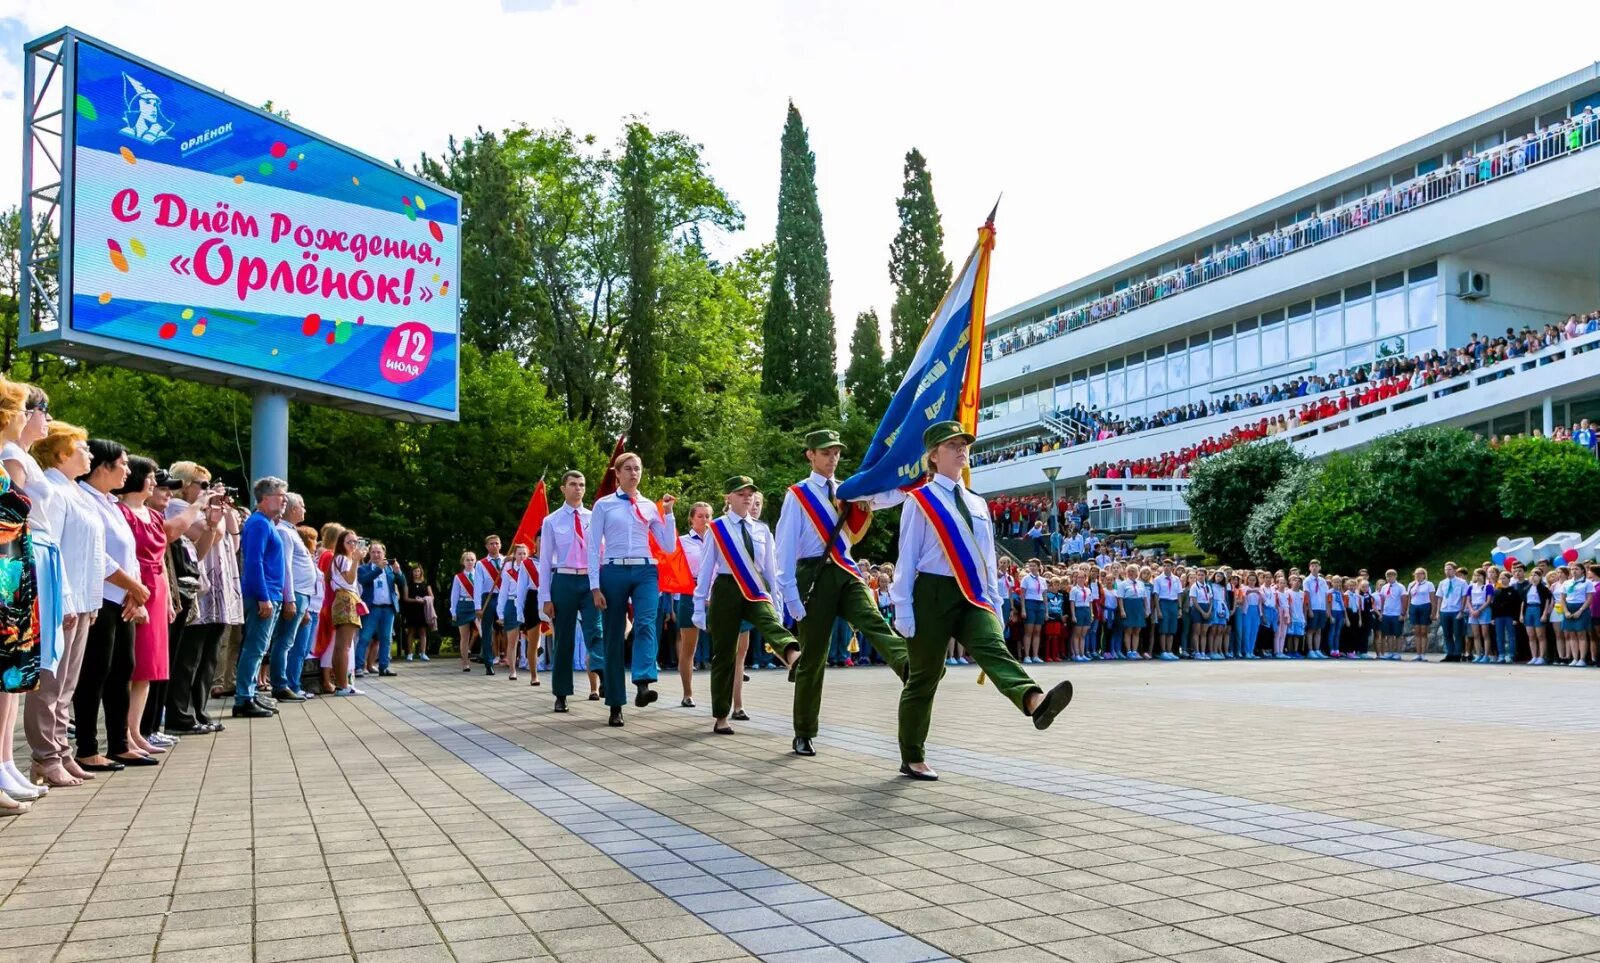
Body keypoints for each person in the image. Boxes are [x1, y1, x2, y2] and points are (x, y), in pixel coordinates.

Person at [890, 421, 1074, 780]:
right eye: (952, 444)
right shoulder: (920, 500)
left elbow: (987, 558)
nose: (961, 450)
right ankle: (912, 755)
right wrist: (903, 608)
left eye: (964, 444)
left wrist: (996, 601)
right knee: (924, 679)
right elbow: (906, 558)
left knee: (994, 649)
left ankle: (1034, 701)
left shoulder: (976, 502)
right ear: (933, 455)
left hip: (973, 593)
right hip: (931, 593)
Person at [775, 429, 908, 757]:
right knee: (813, 657)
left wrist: (912, 478)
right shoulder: (798, 494)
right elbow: (785, 547)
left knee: (873, 620)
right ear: (810, 455)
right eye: (825, 453)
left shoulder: (850, 489)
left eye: (836, 453)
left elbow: (884, 495)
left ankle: (908, 666)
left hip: (845, 570)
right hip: (813, 573)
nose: (832, 458)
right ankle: (804, 731)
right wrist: (790, 595)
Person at [24, 423, 101, 787]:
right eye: (82, 448)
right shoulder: (53, 489)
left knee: (67, 685)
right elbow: (50, 546)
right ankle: (45, 756)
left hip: (83, 599)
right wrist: (67, 597)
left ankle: (61, 750)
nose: (89, 454)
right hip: (64, 597)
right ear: (61, 454)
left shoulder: (77, 491)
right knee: (51, 685)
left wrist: (91, 600)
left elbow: (91, 552)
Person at [692, 476, 798, 735]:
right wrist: (698, 603)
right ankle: (720, 716)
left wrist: (779, 600)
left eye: (750, 493)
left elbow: (772, 570)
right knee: (724, 655)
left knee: (768, 621)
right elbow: (706, 569)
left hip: (755, 588)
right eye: (741, 493)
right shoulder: (716, 528)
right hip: (727, 589)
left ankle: (792, 654)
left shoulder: (762, 529)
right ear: (728, 498)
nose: (747, 497)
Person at [76, 440, 152, 773]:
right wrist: (132, 586)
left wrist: (136, 594)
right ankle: (87, 747)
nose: (127, 470)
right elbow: (98, 553)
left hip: (123, 599)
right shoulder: (84, 499)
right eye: (122, 463)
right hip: (100, 596)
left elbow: (127, 552)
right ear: (103, 467)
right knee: (95, 672)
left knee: (123, 668)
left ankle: (120, 743)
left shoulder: (111, 503)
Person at [587, 452, 676, 727]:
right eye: (628, 468)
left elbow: (669, 546)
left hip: (645, 569)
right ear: (617, 473)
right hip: (613, 569)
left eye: (637, 468)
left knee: (647, 623)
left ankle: (643, 683)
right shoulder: (604, 505)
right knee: (613, 635)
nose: (633, 473)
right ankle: (615, 704)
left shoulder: (649, 505)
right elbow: (592, 547)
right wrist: (594, 586)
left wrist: (669, 514)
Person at [0, 381, 41, 807]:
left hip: (13, 581)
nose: (24, 416)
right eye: (19, 410)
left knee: (9, 678)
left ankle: (5, 765)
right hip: (3, 582)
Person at [537, 470, 604, 712]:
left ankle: (602, 673)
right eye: (573, 484)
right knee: (563, 639)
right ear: (563, 488)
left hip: (590, 581)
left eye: (582, 484)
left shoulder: (595, 517)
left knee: (595, 631)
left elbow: (601, 552)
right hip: (564, 579)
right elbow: (545, 562)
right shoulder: (551, 520)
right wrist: (545, 598)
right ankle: (561, 694)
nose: (578, 488)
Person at [233, 477, 288, 718]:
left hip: (269, 594)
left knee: (259, 647)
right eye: (280, 495)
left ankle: (250, 693)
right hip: (262, 596)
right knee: (254, 648)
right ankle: (243, 698)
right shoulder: (258, 524)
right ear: (265, 498)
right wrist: (263, 597)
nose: (284, 499)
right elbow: (253, 562)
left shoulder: (266, 523)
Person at [275, 493, 317, 699]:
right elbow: (286, 567)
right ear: (292, 509)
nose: (304, 509)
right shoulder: (284, 532)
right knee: (285, 642)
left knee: (291, 642)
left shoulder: (291, 531)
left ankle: (289, 684)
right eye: (302, 506)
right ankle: (281, 685)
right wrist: (289, 598)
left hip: (302, 595)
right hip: (296, 594)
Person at [674, 502, 712, 707]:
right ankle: (687, 692)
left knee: (726, 644)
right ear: (691, 519)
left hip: (716, 593)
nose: (705, 520)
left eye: (708, 516)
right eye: (700, 516)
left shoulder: (718, 540)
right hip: (690, 593)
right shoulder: (682, 542)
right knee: (689, 647)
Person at [327, 528, 364, 694]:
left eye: (355, 542)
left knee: (342, 645)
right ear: (341, 544)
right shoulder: (342, 558)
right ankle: (342, 685)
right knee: (344, 646)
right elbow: (349, 579)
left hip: (344, 599)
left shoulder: (342, 559)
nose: (353, 545)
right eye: (349, 542)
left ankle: (342, 683)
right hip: (345, 599)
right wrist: (356, 561)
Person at [357, 541, 401, 678]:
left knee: (386, 639)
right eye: (373, 552)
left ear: (384, 554)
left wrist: (398, 572)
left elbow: (402, 583)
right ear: (369, 554)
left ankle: (384, 667)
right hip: (372, 608)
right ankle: (358, 667)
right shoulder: (363, 568)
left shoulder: (389, 569)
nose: (376, 554)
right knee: (364, 638)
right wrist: (378, 569)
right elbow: (364, 581)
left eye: (379, 552)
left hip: (388, 609)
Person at [498, 541, 535, 683]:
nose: (522, 556)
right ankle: (512, 671)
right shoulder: (509, 572)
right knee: (512, 641)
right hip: (512, 605)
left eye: (524, 553)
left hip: (527, 604)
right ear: (514, 555)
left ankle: (533, 671)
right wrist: (500, 613)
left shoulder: (532, 569)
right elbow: (502, 592)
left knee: (532, 640)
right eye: (519, 553)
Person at [472, 534, 506, 674]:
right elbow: (478, 586)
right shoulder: (481, 564)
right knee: (487, 631)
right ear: (487, 546)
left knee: (510, 628)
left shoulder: (506, 560)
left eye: (497, 543)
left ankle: (510, 658)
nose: (494, 546)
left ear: (500, 545)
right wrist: (477, 607)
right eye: (491, 544)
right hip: (488, 597)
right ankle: (488, 662)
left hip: (504, 597)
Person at [450, 551, 479, 673]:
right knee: (464, 637)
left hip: (476, 605)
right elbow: (454, 595)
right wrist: (453, 612)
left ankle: (489, 659)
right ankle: (465, 662)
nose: (470, 562)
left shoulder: (479, 574)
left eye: (472, 560)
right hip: (463, 606)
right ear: (463, 562)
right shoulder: (458, 577)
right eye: (467, 560)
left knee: (485, 632)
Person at [401, 563, 433, 662]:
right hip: (412, 610)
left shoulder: (425, 583)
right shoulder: (408, 584)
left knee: (423, 632)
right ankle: (410, 653)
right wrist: (416, 600)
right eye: (415, 571)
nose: (416, 573)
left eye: (418, 571)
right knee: (411, 631)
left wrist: (424, 600)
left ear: (421, 572)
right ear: (412, 572)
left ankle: (423, 653)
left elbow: (432, 596)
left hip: (423, 610)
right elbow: (405, 598)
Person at [1019, 559, 1047, 664]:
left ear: (1039, 567)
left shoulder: (1042, 580)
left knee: (1037, 631)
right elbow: (1022, 594)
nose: (1032, 568)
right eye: (1030, 566)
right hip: (1029, 603)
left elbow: (1044, 595)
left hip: (1040, 604)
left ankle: (1035, 655)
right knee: (1028, 631)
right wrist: (1023, 609)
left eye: (1034, 566)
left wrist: (1046, 611)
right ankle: (1027, 655)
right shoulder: (1026, 579)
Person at [1407, 567, 1436, 662]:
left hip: (1425, 606)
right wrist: (1408, 610)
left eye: (1420, 574)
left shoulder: (1429, 584)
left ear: (1424, 575)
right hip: (1414, 607)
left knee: (1424, 631)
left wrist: (1433, 612)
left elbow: (1432, 599)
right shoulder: (1411, 585)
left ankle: (1423, 653)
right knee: (1416, 631)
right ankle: (1418, 653)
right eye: (1416, 574)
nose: (1418, 575)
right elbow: (1409, 598)